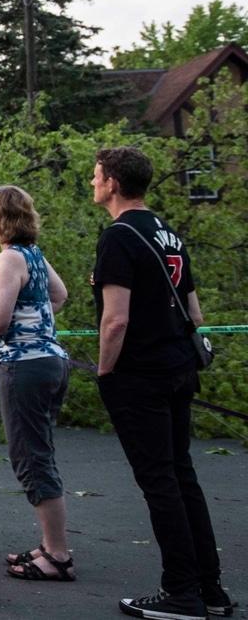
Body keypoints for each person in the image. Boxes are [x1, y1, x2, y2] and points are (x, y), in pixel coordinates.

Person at [90, 147, 235, 620]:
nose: (92, 184)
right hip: (178, 366)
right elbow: (195, 314)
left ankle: (181, 592)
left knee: (159, 482)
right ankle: (209, 587)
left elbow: (115, 321)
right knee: (181, 475)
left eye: (96, 177)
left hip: (140, 373)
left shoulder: (118, 236)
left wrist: (105, 372)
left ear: (112, 182)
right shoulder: (170, 235)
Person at [0, 185, 75, 583]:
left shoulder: (9, 258)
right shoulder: (33, 254)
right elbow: (60, 294)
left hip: (22, 366)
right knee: (40, 451)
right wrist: (34, 320)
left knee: (31, 457)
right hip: (50, 361)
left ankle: (58, 555)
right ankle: (50, 545)